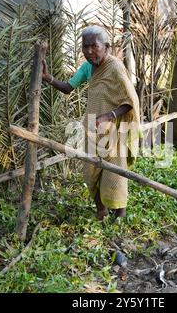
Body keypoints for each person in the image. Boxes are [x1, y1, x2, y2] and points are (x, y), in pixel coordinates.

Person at [42, 25, 140, 220]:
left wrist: (108, 116)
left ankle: (120, 212)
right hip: (92, 129)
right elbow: (69, 87)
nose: (88, 51)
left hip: (114, 130)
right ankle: (100, 209)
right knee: (90, 170)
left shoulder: (115, 68)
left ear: (106, 46)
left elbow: (130, 101)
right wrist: (48, 78)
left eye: (94, 46)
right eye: (85, 47)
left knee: (115, 174)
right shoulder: (87, 67)